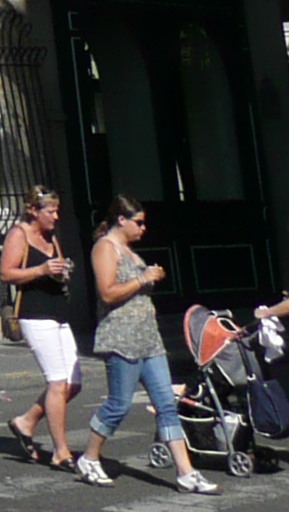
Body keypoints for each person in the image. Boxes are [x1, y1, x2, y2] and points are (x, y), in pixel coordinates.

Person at [75, 193, 216, 493]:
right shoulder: (105, 248)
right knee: (119, 403)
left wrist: (150, 276)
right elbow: (107, 293)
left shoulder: (130, 251)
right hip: (121, 338)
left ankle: (185, 471)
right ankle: (89, 457)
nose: (143, 229)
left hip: (149, 339)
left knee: (166, 403)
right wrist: (142, 279)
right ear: (121, 220)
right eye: (138, 223)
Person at [0, 183, 80, 471]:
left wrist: (62, 273)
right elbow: (6, 273)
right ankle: (60, 451)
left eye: (57, 211)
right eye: (51, 211)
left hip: (57, 313)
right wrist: (41, 270)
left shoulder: (50, 236)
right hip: (34, 315)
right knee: (57, 382)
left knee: (73, 383)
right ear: (34, 210)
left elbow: (56, 267)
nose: (56, 216)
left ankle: (26, 421)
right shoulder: (19, 234)